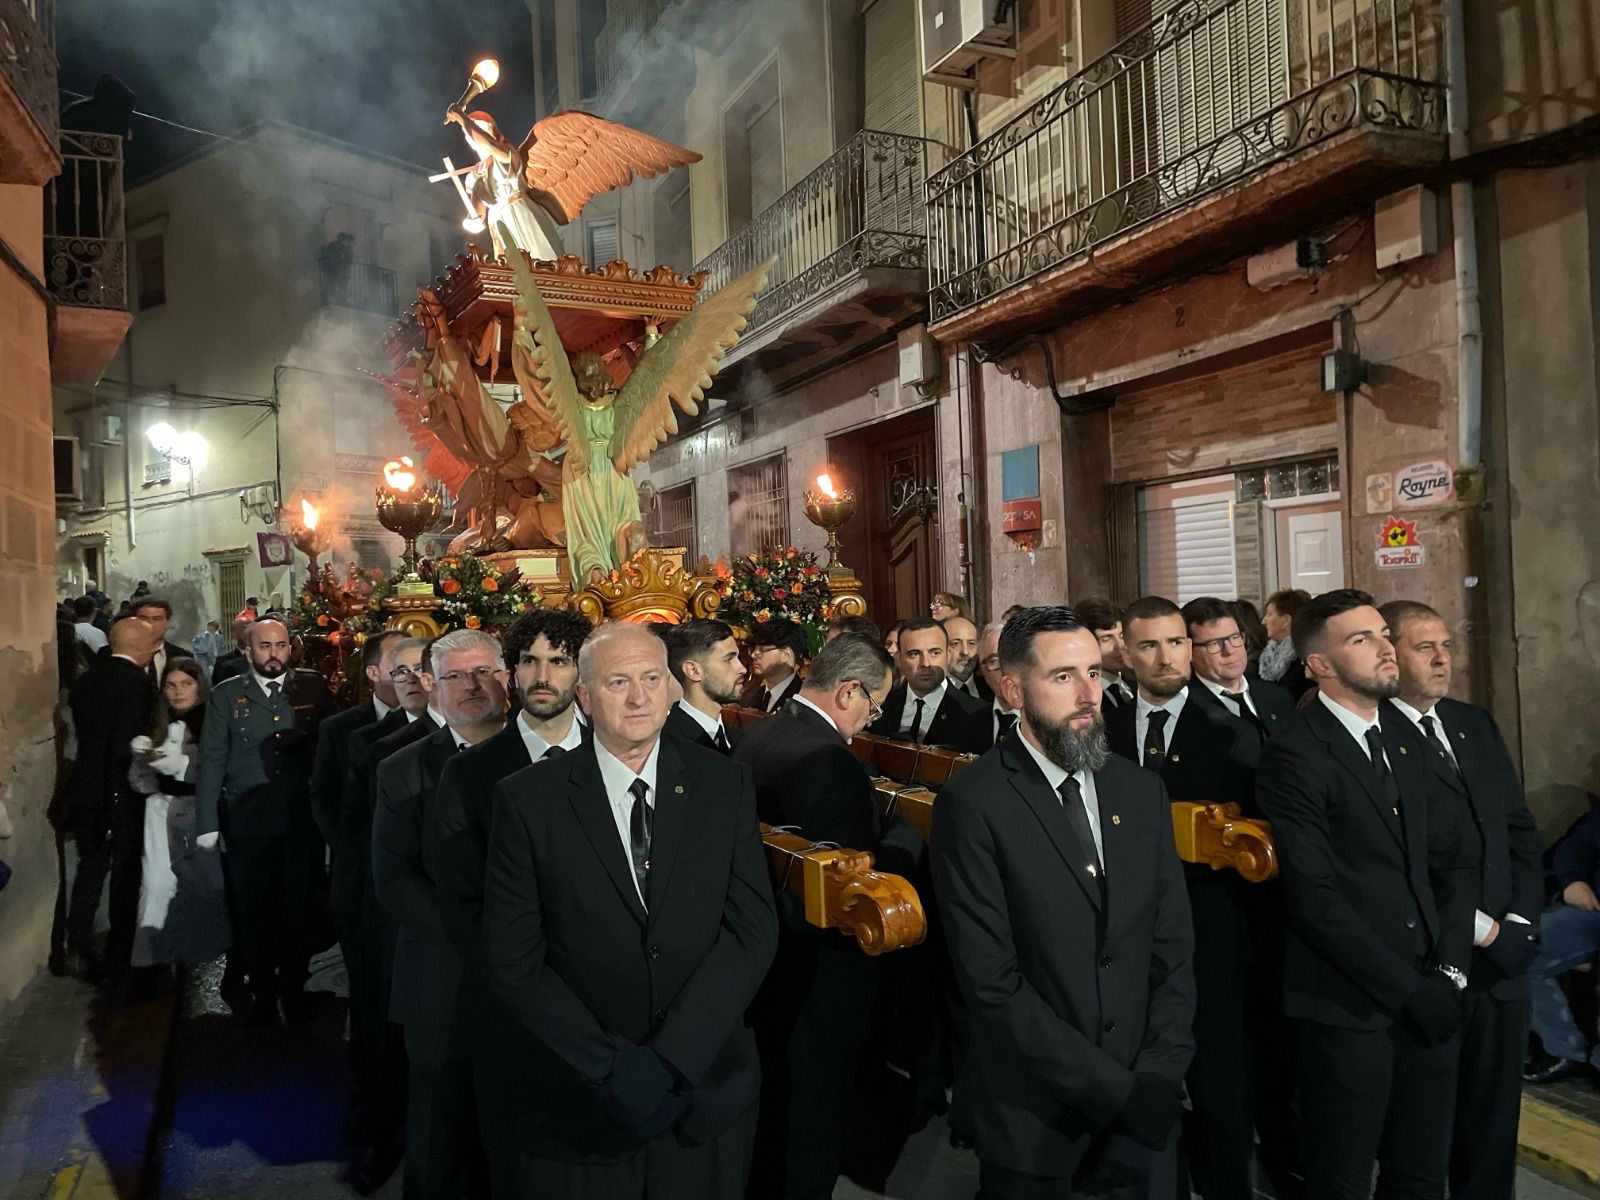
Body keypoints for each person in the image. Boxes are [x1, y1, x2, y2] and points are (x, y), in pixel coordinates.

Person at [483, 623, 778, 1198]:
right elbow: (515, 958)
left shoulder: (727, 784)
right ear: (587, 698)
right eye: (619, 682)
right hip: (579, 1105)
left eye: (651, 679)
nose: (640, 697)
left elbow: (751, 931)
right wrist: (610, 1068)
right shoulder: (527, 801)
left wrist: (673, 1060)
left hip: (704, 1090)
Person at [931, 606, 1195, 1196]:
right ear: (1012, 688)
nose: (1088, 694)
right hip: (1037, 1118)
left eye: (1095, 673)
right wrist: (1115, 1091)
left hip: (1146, 1106)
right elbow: (992, 983)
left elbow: (1172, 947)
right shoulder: (974, 804)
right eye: (1063, 677)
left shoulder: (1141, 790)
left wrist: (1158, 1073)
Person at [1255, 589, 1474, 1200]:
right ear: (1320, 665)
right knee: (1344, 1179)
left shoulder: (1406, 741)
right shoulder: (1296, 753)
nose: (1386, 648)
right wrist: (1410, 993)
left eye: (1383, 634)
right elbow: (1316, 899)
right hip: (1347, 1009)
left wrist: (1450, 971)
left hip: (1431, 987)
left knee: (1422, 1174)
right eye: (1362, 640)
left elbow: (1454, 862)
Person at [733, 633, 918, 1200]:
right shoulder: (828, 758)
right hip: (821, 972)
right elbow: (851, 880)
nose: (872, 717)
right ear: (848, 690)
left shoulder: (760, 733)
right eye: (874, 703)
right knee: (814, 1117)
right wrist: (905, 841)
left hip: (769, 962)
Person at [1380, 599, 1542, 1200]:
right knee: (1423, 1136)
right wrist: (1484, 932)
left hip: (1504, 965)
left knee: (1493, 1126)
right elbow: (1402, 864)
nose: (1442, 659)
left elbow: (1518, 830)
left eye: (1446, 646)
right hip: (1436, 961)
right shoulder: (1379, 736)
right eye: (1426, 648)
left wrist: (1521, 921)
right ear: (1388, 653)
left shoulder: (1474, 724)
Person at [433, 607, 590, 1197]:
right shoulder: (470, 776)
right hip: (513, 1010)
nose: (542, 675)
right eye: (529, 660)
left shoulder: (616, 756)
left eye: (559, 660)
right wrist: (532, 990)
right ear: (512, 672)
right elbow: (462, 905)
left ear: (582, 672)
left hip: (611, 1007)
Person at [374, 629, 508, 1200]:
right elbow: (395, 880)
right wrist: (480, 939)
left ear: (507, 677)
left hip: (537, 981)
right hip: (443, 979)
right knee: (439, 1135)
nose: (472, 686)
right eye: (455, 676)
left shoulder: (548, 757)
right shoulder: (402, 770)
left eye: (484, 673)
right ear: (433, 686)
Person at [194, 618, 337, 1026]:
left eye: (280, 645)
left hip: (299, 819)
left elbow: (332, 746)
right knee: (253, 909)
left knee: (299, 907)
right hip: (247, 822)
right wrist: (208, 823)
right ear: (248, 651)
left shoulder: (311, 686)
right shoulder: (225, 696)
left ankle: (294, 987)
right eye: (264, 646)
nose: (273, 653)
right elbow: (212, 760)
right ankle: (260, 988)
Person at [340, 636, 437, 1189]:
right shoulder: (375, 745)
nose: (416, 681)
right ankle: (382, 1128)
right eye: (407, 671)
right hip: (390, 911)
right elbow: (356, 835)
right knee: (385, 1027)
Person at [308, 628, 405, 1140]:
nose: (411, 677)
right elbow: (322, 798)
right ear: (372, 673)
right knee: (369, 995)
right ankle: (371, 1102)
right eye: (400, 666)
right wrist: (355, 852)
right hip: (358, 880)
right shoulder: (343, 730)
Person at [64, 613, 160, 984]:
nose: (155, 649)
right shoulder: (136, 683)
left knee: (90, 869)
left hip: (86, 789)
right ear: (139, 646)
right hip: (118, 791)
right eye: (152, 643)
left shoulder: (87, 681)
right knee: (124, 875)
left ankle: (78, 945)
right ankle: (119, 955)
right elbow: (127, 744)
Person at [128, 659, 230, 971]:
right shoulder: (157, 723)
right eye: (171, 685)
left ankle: (203, 953)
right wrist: (148, 763)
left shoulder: (213, 722)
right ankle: (157, 956)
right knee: (158, 883)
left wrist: (183, 768)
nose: (178, 692)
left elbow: (222, 770)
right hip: (160, 813)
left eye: (186, 684)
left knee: (204, 885)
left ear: (199, 685)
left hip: (201, 814)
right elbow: (139, 781)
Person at [1527, 806, 1600, 1083]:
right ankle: (1564, 1050)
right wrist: (1573, 881)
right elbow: (1572, 850)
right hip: (1591, 914)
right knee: (1517, 945)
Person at [1183, 596, 1295, 736]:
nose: (1229, 650)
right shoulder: (1184, 709)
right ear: (1189, 652)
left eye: (1235, 638)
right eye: (1214, 643)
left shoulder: (1278, 697)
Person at [867, 618, 985, 751]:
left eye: (935, 653)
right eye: (914, 654)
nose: (926, 663)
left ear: (948, 655)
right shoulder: (879, 705)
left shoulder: (977, 715)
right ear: (899, 657)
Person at [663, 619, 746, 752]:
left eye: (738, 658)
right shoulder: (668, 744)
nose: (742, 669)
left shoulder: (741, 739)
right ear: (693, 671)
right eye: (729, 659)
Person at [1074, 596, 1133, 710]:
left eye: (1122, 636)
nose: (1119, 645)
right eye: (1107, 638)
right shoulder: (1084, 694)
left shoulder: (1134, 685)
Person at [968, 620, 1019, 752]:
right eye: (995, 661)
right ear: (982, 670)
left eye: (1011, 657)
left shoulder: (1049, 720)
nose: (1005, 668)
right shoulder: (969, 724)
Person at [738, 618, 806, 712]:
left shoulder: (804, 700)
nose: (753, 655)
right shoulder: (747, 697)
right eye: (753, 649)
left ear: (786, 655)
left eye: (762, 650)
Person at [1259, 588, 1313, 699]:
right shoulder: (1266, 656)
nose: (1263, 621)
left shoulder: (1303, 659)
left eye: (1269, 614)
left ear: (1286, 620)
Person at [130, 595, 190, 682]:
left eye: (157, 619)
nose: (150, 624)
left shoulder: (184, 657)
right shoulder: (115, 658)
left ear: (167, 624)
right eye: (144, 618)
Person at [943, 614, 989, 703]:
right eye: (956, 644)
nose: (965, 652)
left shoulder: (991, 688)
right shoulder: (932, 692)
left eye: (971, 644)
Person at [211, 617, 251, 685]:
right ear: (234, 634)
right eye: (245, 628)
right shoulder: (223, 663)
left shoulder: (262, 659)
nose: (249, 632)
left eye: (251, 629)